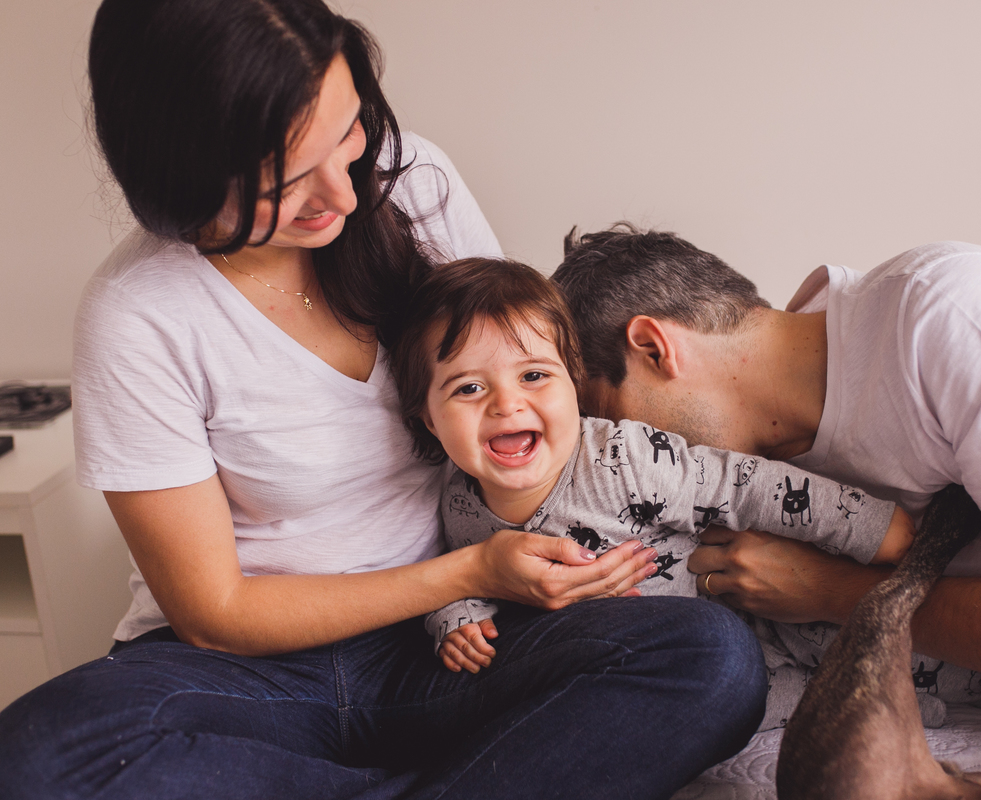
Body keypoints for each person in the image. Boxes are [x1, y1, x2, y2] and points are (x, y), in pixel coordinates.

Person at [0, 5, 769, 798]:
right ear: (182, 173)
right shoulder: (137, 312)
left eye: (347, 135)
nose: (341, 193)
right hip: (251, 675)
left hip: (458, 644)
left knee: (709, 657)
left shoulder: (415, 184)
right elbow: (214, 612)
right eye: (287, 177)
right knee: (37, 758)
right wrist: (468, 570)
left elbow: (524, 379)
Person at [551, 224, 981, 757]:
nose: (617, 459)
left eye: (606, 423)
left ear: (653, 347)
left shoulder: (948, 317)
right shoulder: (773, 481)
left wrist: (829, 591)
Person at [387, 257, 914, 730]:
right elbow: (463, 575)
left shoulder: (624, 457)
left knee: (896, 654)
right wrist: (456, 619)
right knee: (818, 711)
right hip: (677, 668)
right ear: (429, 420)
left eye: (534, 375)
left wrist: (867, 526)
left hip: (762, 612)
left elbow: (742, 483)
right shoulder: (459, 502)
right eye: (469, 388)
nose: (506, 404)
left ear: (573, 383)